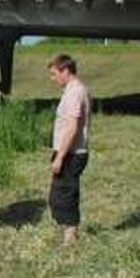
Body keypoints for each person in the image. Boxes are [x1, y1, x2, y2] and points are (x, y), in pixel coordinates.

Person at [47, 54, 90, 243]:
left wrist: (60, 157)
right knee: (59, 193)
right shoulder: (73, 90)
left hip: (71, 153)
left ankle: (70, 237)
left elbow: (72, 127)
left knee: (65, 193)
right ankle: (69, 232)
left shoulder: (75, 93)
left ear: (65, 71)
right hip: (68, 151)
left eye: (54, 73)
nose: (52, 78)